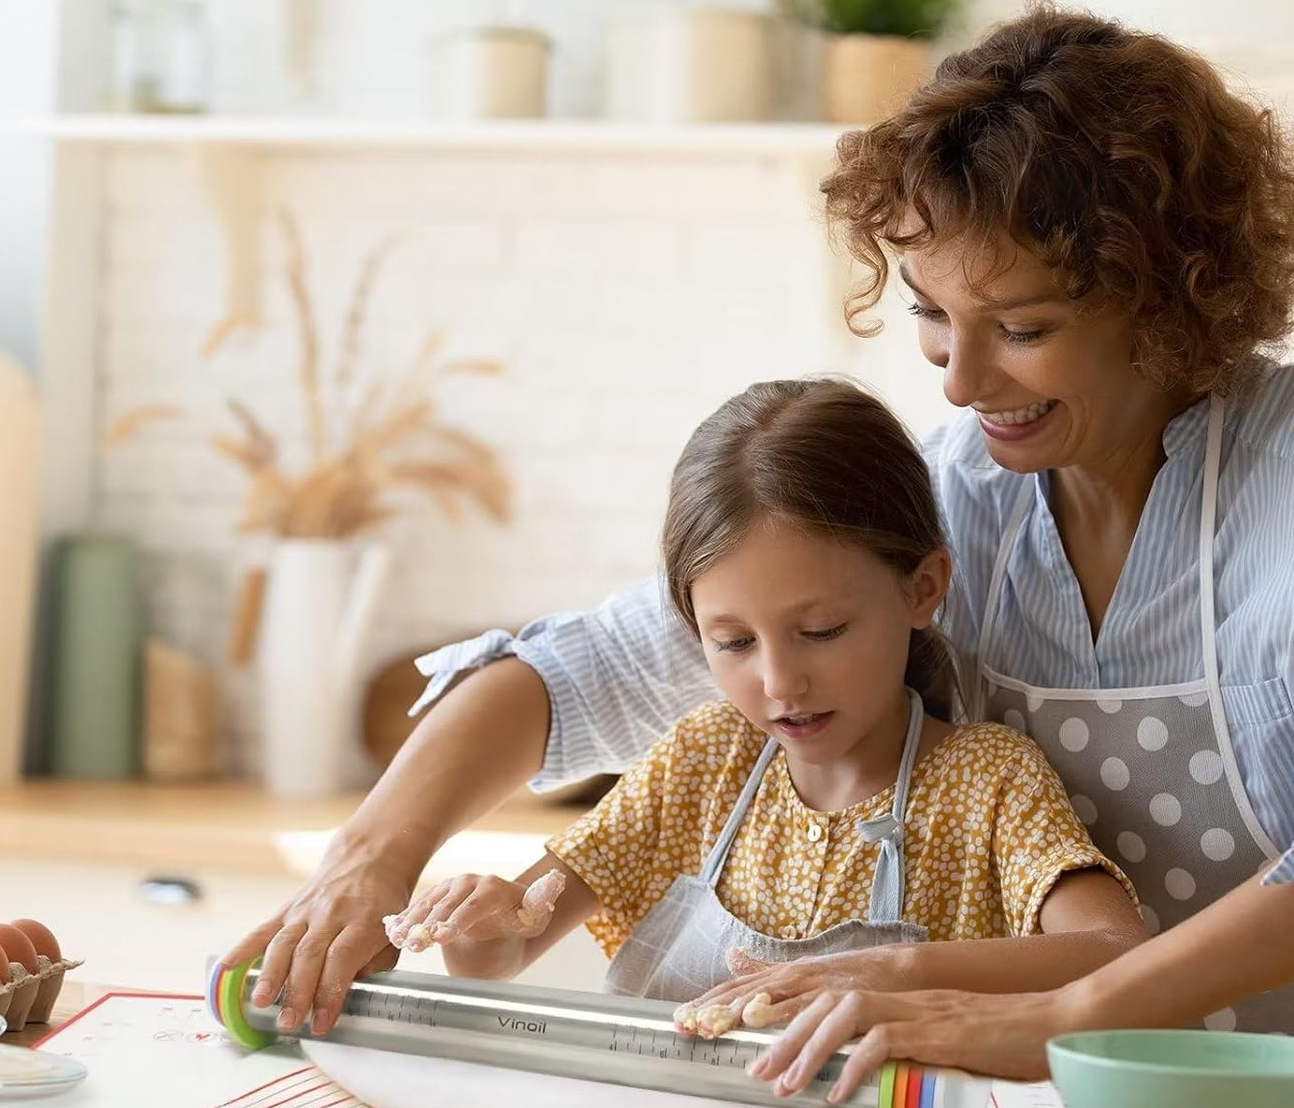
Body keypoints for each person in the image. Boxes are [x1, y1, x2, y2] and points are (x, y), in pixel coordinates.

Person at [220, 2, 1294, 1061]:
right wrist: (371, 855)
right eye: (930, 314)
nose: (960, 382)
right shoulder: (950, 496)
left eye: (1021, 327)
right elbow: (591, 671)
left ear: (1168, 294)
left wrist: (1058, 1009)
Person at [381, 379, 1146, 1004]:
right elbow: (502, 954)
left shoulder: (987, 782)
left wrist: (899, 972)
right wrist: (479, 921)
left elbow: (1117, 952)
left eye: (820, 630)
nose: (780, 683)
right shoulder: (699, 763)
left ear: (921, 588)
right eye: (734, 642)